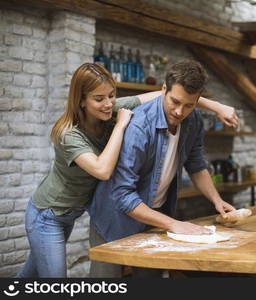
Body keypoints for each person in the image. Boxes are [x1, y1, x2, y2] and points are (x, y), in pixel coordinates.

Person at [16, 62, 238, 278]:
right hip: (49, 213)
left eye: (111, 96)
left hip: (75, 211)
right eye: (99, 98)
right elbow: (103, 171)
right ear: (82, 100)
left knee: (30, 274)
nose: (107, 103)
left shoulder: (111, 109)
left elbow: (154, 97)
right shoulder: (70, 134)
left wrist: (217, 106)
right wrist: (121, 126)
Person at [88, 59, 236, 277]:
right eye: (175, 101)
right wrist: (174, 224)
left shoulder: (193, 121)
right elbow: (122, 195)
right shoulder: (140, 126)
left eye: (189, 105)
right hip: (113, 218)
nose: (179, 111)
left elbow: (196, 165)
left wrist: (216, 200)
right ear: (163, 89)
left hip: (153, 217)